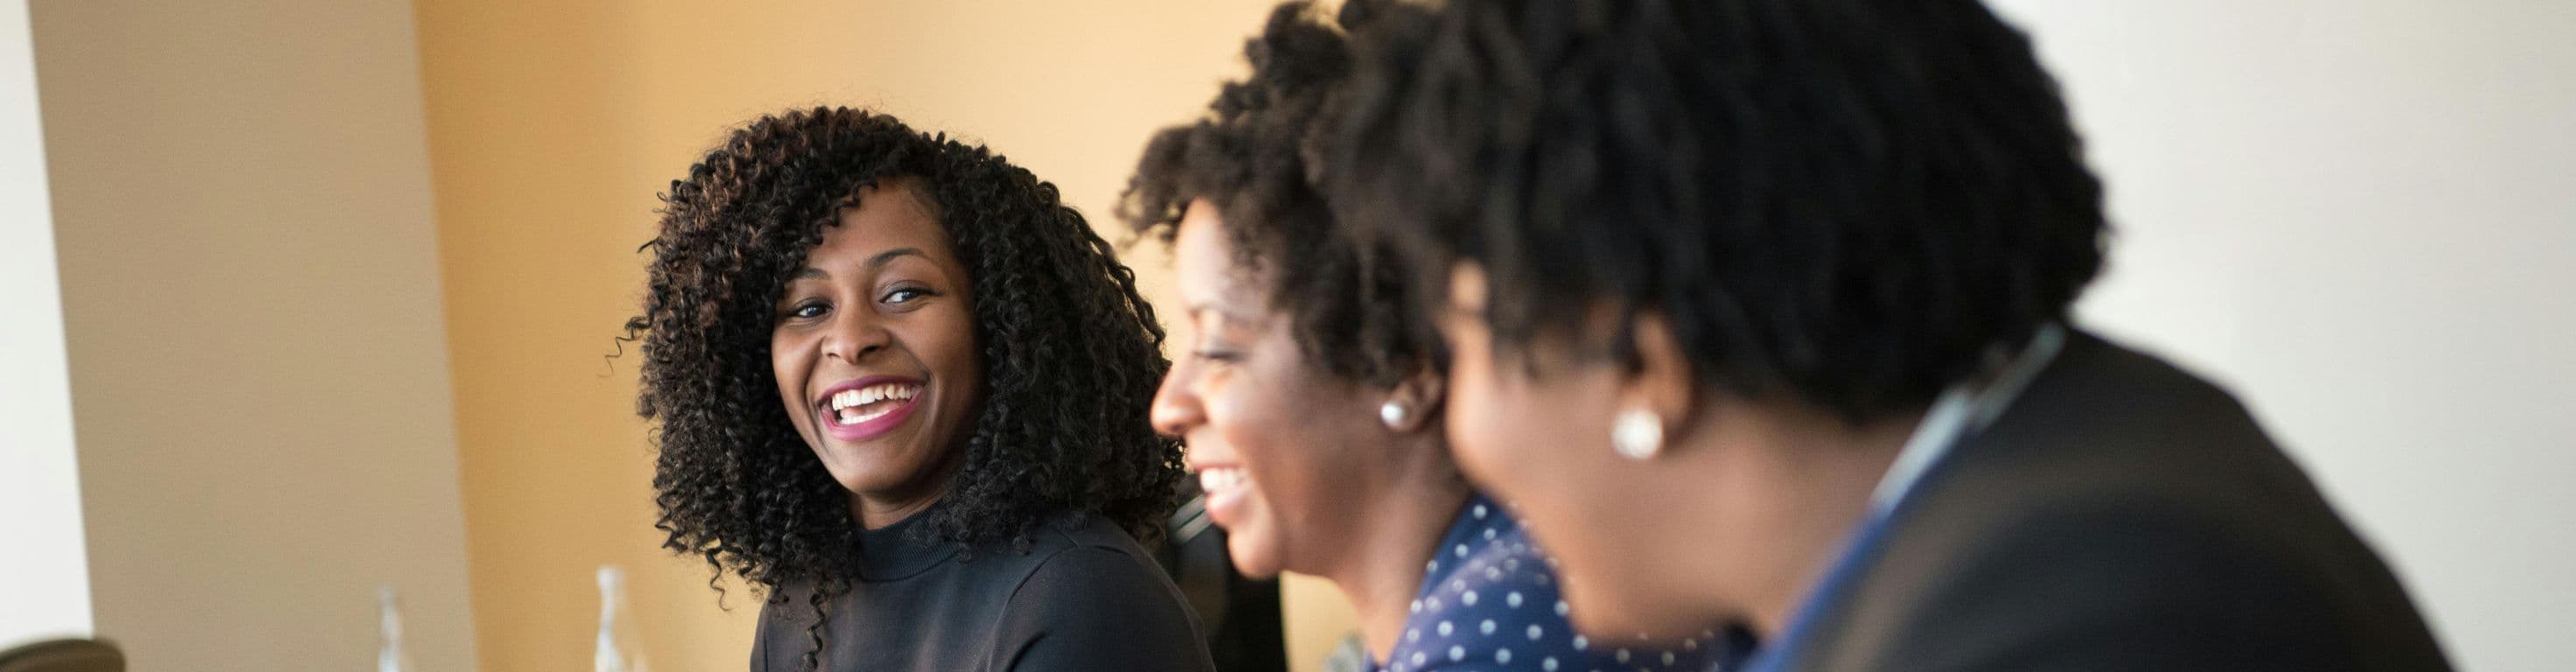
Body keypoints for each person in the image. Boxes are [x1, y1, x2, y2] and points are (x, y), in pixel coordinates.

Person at [1324, 1, 2454, 670]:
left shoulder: (2076, 616)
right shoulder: (2088, 457)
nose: (1463, 434)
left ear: (1638, 361)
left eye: (1464, 345)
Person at [1123, 4, 1727, 671]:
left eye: (1218, 348)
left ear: (1403, 364)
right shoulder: (1494, 602)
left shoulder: (1497, 641)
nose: (1168, 407)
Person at [629, 107, 1213, 672]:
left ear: (1000, 323)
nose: (851, 340)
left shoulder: (1079, 597)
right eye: (808, 308)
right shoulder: (799, 613)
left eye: (904, 293)